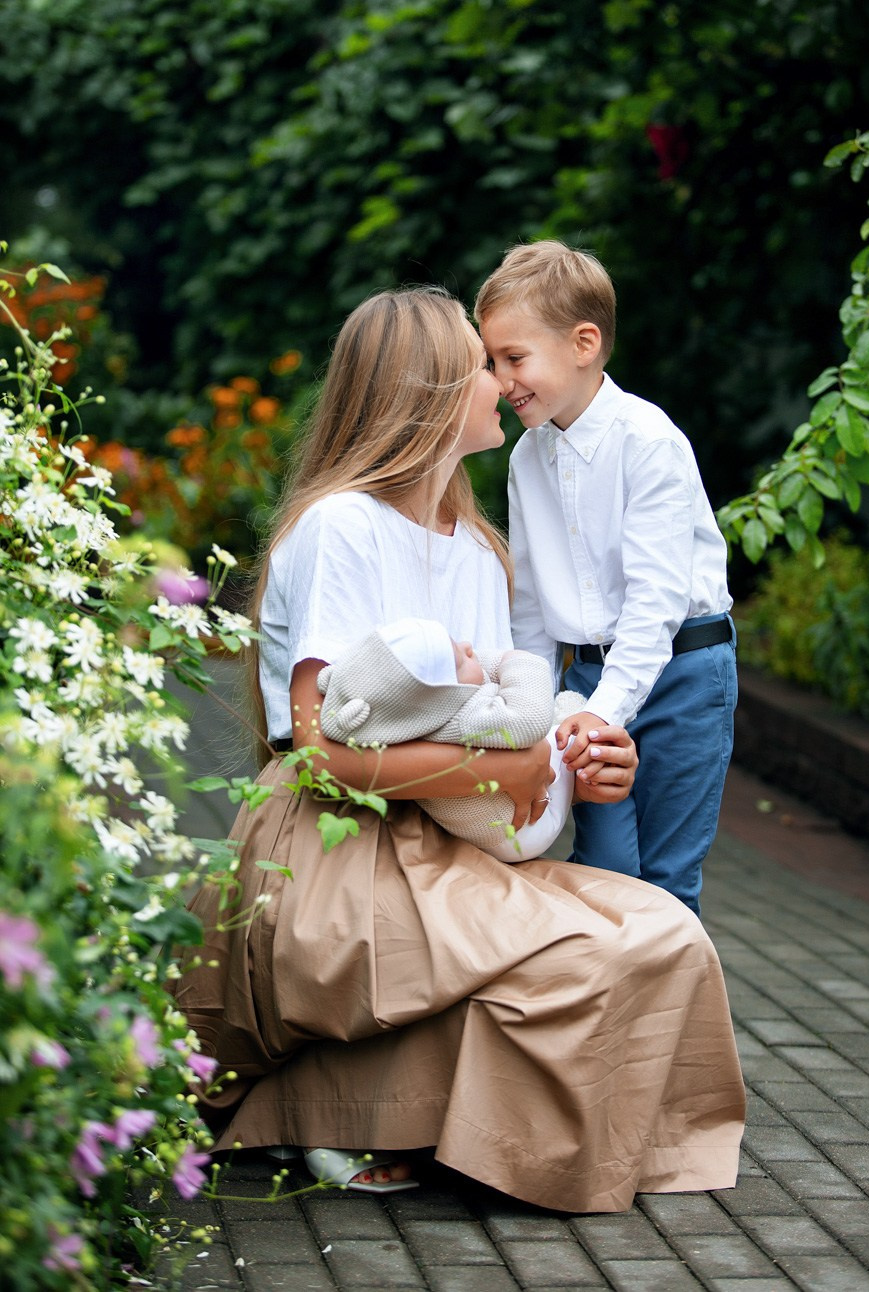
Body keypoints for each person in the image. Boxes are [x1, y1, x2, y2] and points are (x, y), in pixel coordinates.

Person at [172, 286, 744, 1210]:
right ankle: (354, 1106)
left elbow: (508, 737)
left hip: (449, 843)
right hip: (334, 845)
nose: (503, 382)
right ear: (426, 393)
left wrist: (586, 769)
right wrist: (502, 771)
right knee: (575, 961)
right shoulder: (341, 527)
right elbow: (317, 754)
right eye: (483, 364)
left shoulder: (479, 550)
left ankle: (434, 1111)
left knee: (666, 931)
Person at [476, 241, 737, 916]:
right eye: (492, 362)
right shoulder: (526, 459)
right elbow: (531, 606)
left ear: (584, 344)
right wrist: (533, 711)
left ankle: (669, 986)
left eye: (514, 358)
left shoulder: (648, 441)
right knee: (607, 865)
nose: (501, 380)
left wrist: (603, 713)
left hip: (683, 672)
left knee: (667, 877)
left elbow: (656, 603)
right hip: (586, 681)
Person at [316, 616, 585, 861]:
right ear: (447, 693)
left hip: (495, 829)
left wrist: (473, 663)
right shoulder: (465, 719)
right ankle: (567, 726)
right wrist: (518, 659)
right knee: (562, 738)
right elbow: (530, 719)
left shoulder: (407, 713)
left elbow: (479, 670)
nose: (469, 648)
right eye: (459, 660)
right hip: (525, 831)